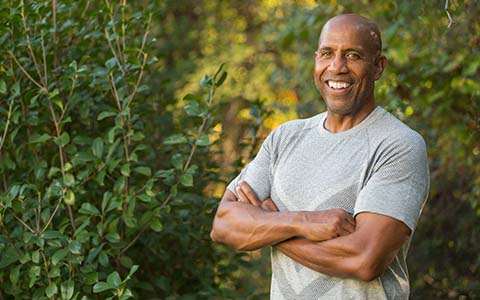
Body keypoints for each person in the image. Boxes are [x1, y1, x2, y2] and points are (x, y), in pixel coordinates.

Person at [210, 14, 429, 300]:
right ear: (316, 60)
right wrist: (302, 222)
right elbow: (223, 224)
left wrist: (268, 226)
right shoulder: (284, 137)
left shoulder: (398, 145)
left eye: (353, 55)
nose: (336, 67)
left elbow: (364, 260)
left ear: (378, 67)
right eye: (327, 53)